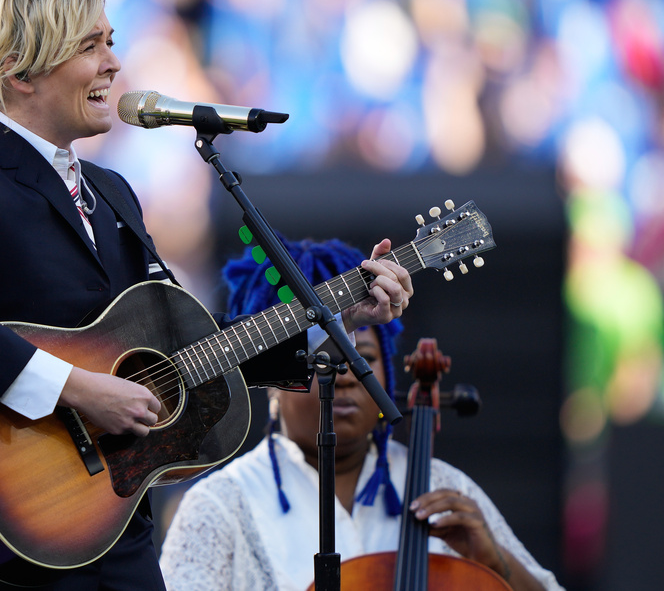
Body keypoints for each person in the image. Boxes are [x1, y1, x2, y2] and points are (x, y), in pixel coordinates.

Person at [0, 0, 413, 590]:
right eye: (90, 46)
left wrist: (339, 316)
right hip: (5, 533)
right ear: (19, 70)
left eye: (110, 40)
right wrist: (76, 390)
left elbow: (191, 356)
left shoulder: (112, 194)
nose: (115, 64)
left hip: (117, 524)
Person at [159, 238, 564, 591]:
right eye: (323, 361)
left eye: (363, 358)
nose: (347, 378)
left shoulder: (439, 486)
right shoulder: (219, 504)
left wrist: (496, 566)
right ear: (272, 382)